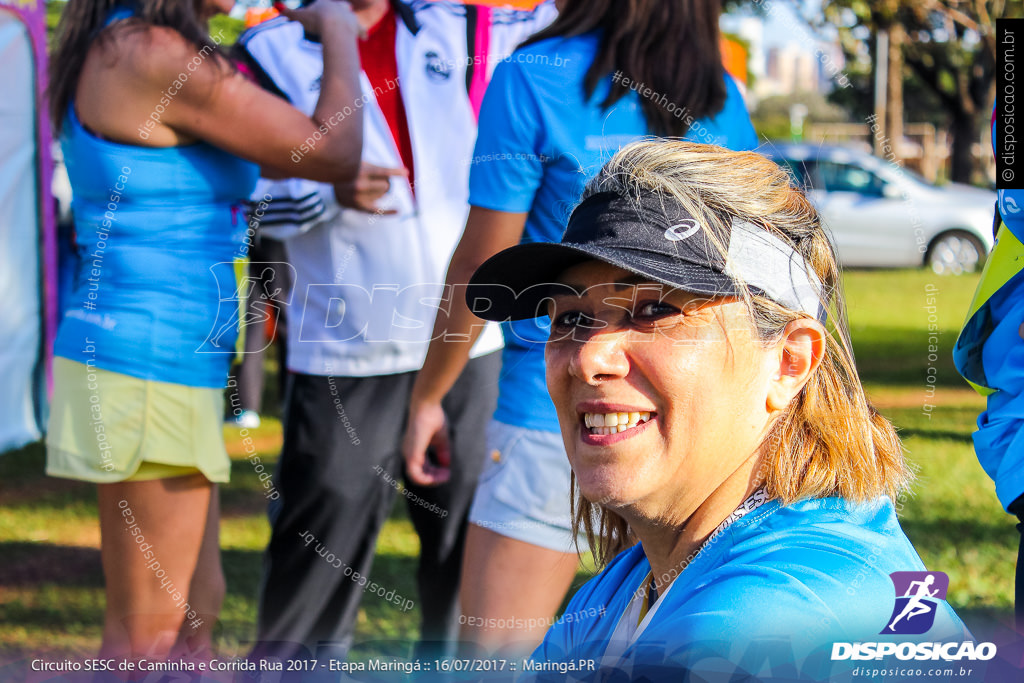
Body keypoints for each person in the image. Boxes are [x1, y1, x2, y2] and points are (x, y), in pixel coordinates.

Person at [462, 140, 970, 680]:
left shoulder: (777, 620)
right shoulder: (627, 587)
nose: (589, 358)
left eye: (653, 309)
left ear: (789, 362)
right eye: (569, 318)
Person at [401, 0, 758, 655]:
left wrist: (428, 396)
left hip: (559, 411)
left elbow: (481, 261)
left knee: (493, 660)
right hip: (696, 421)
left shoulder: (530, 76)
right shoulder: (721, 94)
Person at [236, 0, 556, 662]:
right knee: (313, 575)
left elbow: (575, 24)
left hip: (472, 344)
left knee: (469, 569)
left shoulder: (466, 24)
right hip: (347, 356)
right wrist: (327, 187)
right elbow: (240, 192)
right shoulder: (266, 48)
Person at [45, 0, 363, 663]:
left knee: (193, 624)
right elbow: (331, 148)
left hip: (160, 363)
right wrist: (337, 24)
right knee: (146, 642)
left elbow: (270, 156)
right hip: (145, 361)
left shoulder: (137, 46)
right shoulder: (152, 52)